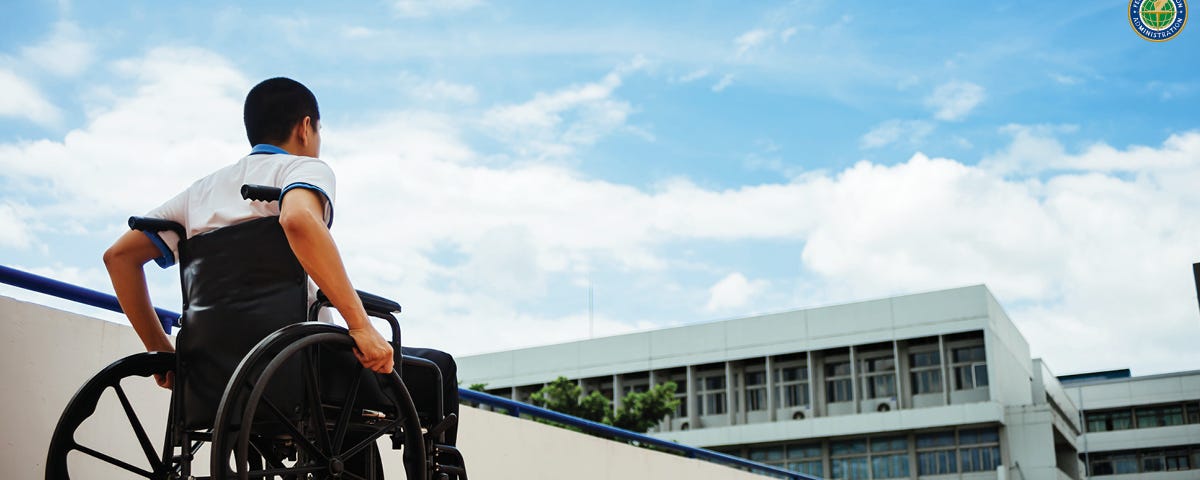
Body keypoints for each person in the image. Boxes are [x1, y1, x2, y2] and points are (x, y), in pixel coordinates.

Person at [102, 77, 457, 476]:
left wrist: (164, 354)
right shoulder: (302, 169)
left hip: (215, 371)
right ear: (306, 127)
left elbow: (119, 258)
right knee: (437, 369)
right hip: (300, 367)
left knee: (350, 409)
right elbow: (298, 220)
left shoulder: (199, 194)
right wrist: (361, 325)